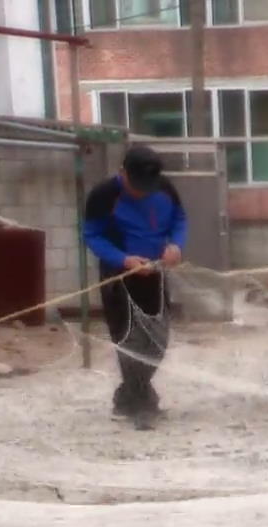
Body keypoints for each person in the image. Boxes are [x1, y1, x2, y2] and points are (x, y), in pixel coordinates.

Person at [82, 145, 187, 431]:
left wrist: (176, 244)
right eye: (137, 185)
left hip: (154, 272)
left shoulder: (164, 188)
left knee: (157, 339)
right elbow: (92, 235)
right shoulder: (104, 196)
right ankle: (140, 402)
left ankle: (130, 394)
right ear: (122, 173)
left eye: (147, 186)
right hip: (119, 275)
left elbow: (179, 219)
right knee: (129, 339)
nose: (143, 192)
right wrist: (124, 259)